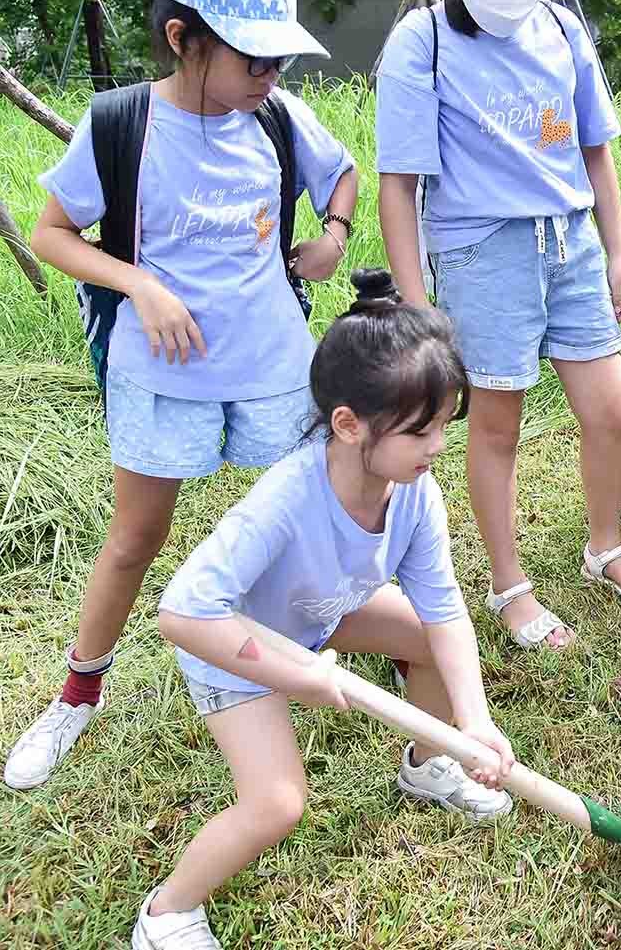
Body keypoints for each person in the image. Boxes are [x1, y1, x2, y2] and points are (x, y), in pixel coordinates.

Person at [3, 0, 359, 791]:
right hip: (162, 378)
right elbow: (52, 234)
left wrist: (334, 235)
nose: (270, 77)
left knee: (308, 516)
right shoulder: (121, 124)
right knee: (136, 536)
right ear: (181, 39)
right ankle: (77, 695)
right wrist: (140, 284)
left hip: (273, 366)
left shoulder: (278, 118)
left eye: (280, 62)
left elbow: (342, 175)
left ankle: (329, 647)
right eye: (254, 59)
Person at [133, 269, 515, 949]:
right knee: (278, 803)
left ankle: (429, 761)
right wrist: (299, 676)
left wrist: (474, 722)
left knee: (426, 639)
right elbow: (182, 614)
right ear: (348, 424)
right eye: (421, 430)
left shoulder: (414, 489)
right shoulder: (284, 500)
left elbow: (445, 610)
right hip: (235, 648)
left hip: (318, 616)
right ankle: (166, 912)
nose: (438, 447)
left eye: (443, 425)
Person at [375, 0, 621, 652]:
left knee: (610, 408)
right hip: (483, 252)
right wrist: (416, 304)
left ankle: (604, 545)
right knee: (497, 425)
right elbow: (398, 186)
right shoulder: (422, 42)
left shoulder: (563, 31)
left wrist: (616, 249)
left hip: (570, 242)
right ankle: (509, 587)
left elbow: (592, 149)